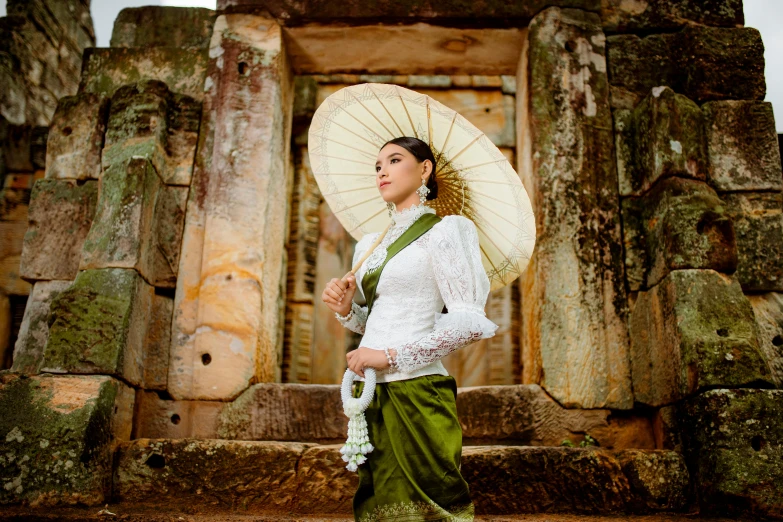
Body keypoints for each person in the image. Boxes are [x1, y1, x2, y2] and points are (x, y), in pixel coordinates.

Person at [320, 136, 499, 522]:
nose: (382, 170)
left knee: (430, 511)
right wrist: (346, 307)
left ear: (424, 169)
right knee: (380, 508)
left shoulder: (448, 231)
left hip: (416, 388)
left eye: (394, 160)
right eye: (377, 166)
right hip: (370, 389)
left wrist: (390, 357)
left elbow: (468, 322)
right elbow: (372, 321)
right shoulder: (370, 243)